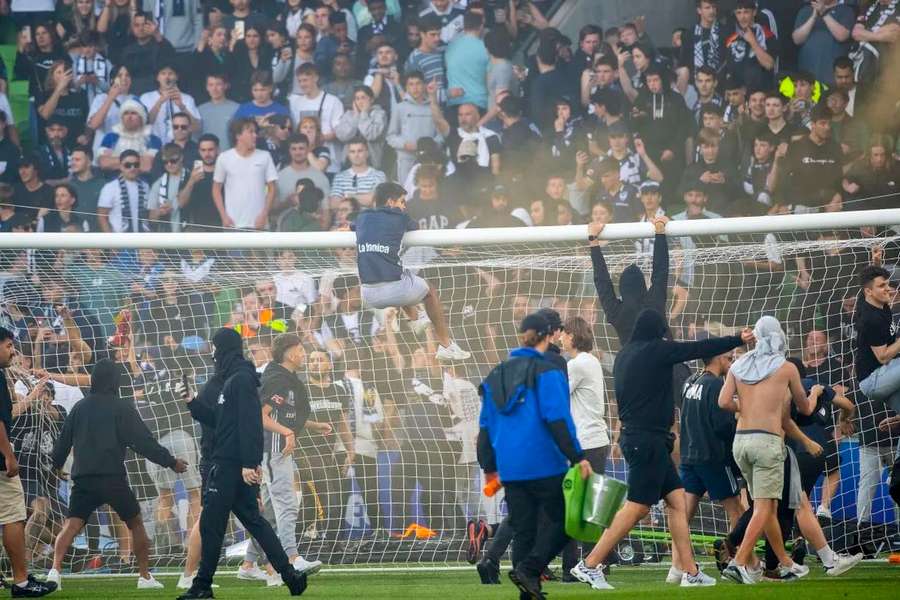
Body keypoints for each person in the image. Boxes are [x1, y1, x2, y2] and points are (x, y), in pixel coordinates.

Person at [571, 309, 747, 590]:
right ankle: (590, 564)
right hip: (647, 441)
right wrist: (736, 337)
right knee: (637, 507)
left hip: (640, 439)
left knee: (677, 501)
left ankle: (690, 572)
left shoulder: (625, 354)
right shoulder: (656, 351)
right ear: (658, 331)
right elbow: (698, 348)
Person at [176, 328, 308, 599]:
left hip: (230, 466)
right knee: (255, 522)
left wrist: (249, 463)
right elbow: (219, 421)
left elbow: (250, 423)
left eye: (214, 346)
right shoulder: (234, 380)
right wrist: (191, 401)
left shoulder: (240, 380)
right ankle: (290, 575)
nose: (212, 352)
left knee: (213, 526)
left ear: (222, 348)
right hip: (233, 464)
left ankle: (202, 586)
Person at [477, 312, 592, 600]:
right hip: (543, 461)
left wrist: (490, 467)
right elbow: (558, 419)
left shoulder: (495, 375)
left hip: (510, 467)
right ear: (547, 336)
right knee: (567, 521)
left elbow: (485, 428)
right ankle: (530, 570)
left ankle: (528, 591)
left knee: (523, 529)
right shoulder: (547, 370)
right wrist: (578, 457)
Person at [47, 359, 188, 590]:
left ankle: (54, 572)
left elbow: (62, 444)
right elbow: (144, 443)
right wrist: (171, 462)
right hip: (112, 478)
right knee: (136, 523)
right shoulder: (122, 407)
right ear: (116, 381)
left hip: (83, 478)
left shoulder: (79, 408)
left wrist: (55, 469)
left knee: (71, 525)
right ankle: (144, 577)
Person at [717, 316, 815, 584]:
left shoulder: (738, 365)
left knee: (765, 505)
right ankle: (739, 562)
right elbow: (805, 408)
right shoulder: (786, 368)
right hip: (767, 442)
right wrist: (816, 393)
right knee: (764, 506)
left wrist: (746, 408)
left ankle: (784, 562)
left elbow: (724, 401)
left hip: (741, 443)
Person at [353, 182, 469, 362]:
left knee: (404, 273)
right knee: (429, 291)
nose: (404, 205)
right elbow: (415, 229)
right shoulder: (400, 216)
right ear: (391, 202)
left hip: (368, 294)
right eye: (401, 201)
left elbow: (353, 227)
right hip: (395, 290)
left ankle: (416, 318)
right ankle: (446, 344)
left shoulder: (362, 216)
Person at [241, 334, 323, 580]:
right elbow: (261, 415)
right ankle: (291, 558)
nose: (304, 353)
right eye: (301, 348)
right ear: (288, 353)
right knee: (286, 504)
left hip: (275, 449)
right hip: (273, 449)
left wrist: (314, 426)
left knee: (269, 513)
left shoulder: (285, 378)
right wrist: (288, 432)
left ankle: (248, 564)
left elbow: (283, 415)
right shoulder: (278, 379)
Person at [0, 327, 59, 598]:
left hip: (41, 473)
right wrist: (8, 455)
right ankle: (22, 581)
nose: (13, 351)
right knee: (14, 517)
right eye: (10, 345)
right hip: (7, 461)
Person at [677, 350, 742, 550]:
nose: (731, 364)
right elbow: (722, 425)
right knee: (736, 510)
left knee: (684, 515)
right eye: (729, 359)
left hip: (689, 456)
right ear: (719, 359)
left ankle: (677, 567)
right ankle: (742, 560)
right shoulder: (715, 384)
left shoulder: (690, 381)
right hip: (713, 457)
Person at [589, 216, 669, 345]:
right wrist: (660, 231)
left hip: (632, 363)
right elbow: (661, 271)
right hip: (664, 361)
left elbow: (602, 281)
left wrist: (593, 239)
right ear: (643, 285)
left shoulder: (617, 312)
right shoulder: (654, 302)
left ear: (621, 288)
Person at [212, 118, 277, 230]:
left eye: (255, 132)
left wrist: (264, 214)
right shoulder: (224, 158)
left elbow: (272, 188)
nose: (255, 135)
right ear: (238, 135)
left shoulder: (265, 156)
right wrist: (224, 216)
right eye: (250, 132)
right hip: (233, 225)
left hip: (259, 225)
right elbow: (216, 189)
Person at [855, 265, 900, 415]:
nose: (888, 288)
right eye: (882, 286)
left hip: (887, 372)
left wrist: (876, 262)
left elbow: (868, 282)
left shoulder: (872, 301)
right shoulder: (871, 319)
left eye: (887, 284)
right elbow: (882, 356)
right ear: (869, 292)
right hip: (873, 380)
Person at [97, 150, 152, 233]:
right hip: (119, 241)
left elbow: (148, 214)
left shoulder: (145, 186)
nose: (132, 168)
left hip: (143, 241)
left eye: (136, 165)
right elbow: (102, 216)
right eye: (128, 165)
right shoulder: (110, 188)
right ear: (120, 166)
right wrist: (109, 241)